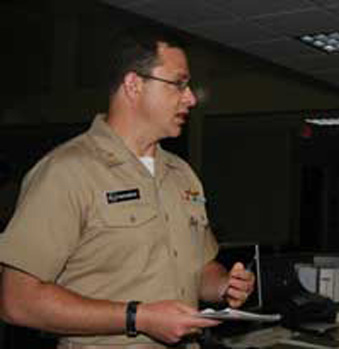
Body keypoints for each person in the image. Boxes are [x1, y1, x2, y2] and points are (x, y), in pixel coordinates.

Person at [0, 26, 255, 348]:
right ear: (134, 85)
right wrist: (139, 318)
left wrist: (223, 285)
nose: (191, 98)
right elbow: (18, 301)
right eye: (179, 84)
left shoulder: (182, 174)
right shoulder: (67, 171)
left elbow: (201, 267)